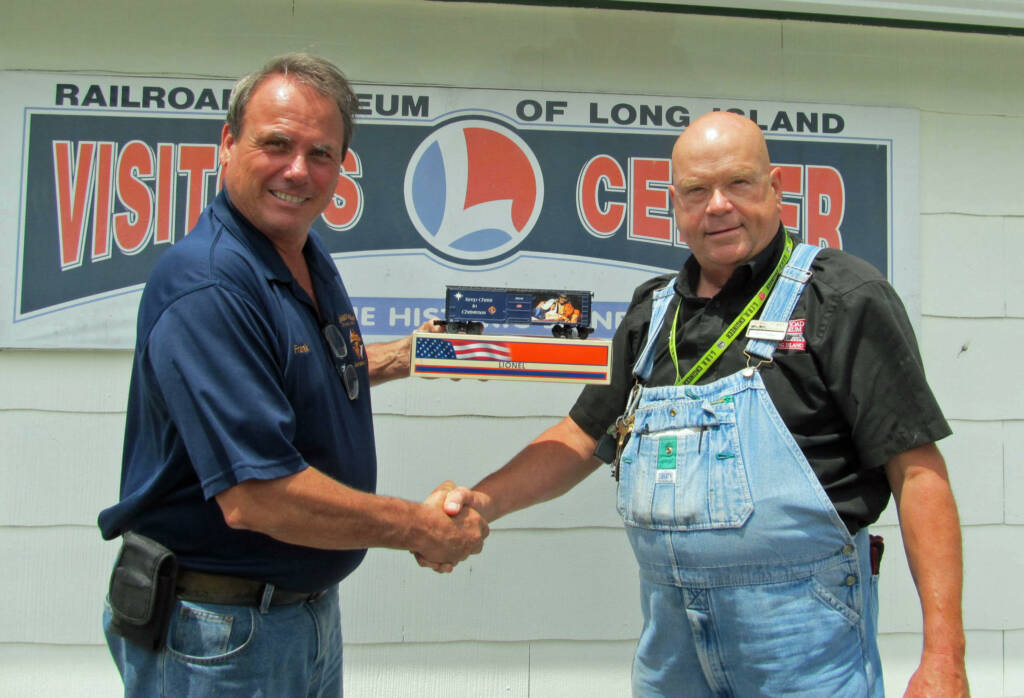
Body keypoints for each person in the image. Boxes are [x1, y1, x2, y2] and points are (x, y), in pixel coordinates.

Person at [427, 112, 968, 696]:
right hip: (670, 643)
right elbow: (582, 438)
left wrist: (944, 656)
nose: (717, 206)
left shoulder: (842, 297)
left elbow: (917, 472)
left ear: (776, 188)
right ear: (674, 204)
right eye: (696, 190)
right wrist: (481, 501)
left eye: (738, 183)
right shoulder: (652, 312)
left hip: (802, 640)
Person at [97, 53, 487, 696]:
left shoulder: (299, 251)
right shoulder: (211, 283)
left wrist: (417, 353)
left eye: (322, 153)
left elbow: (300, 371)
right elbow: (258, 496)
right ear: (227, 143)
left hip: (295, 616)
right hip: (219, 633)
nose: (298, 171)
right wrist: (421, 528)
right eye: (276, 144)